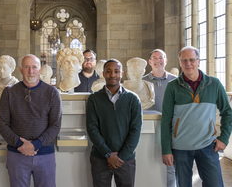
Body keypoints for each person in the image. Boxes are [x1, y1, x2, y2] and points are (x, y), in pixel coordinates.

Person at [161, 46, 232, 187]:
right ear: (180, 62)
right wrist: (166, 150)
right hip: (180, 147)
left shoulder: (214, 84)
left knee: (215, 184)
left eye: (192, 60)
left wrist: (224, 138)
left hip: (208, 145)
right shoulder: (172, 86)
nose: (188, 64)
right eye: (184, 60)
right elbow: (166, 119)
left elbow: (227, 112)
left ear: (198, 61)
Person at [0, 54, 62, 187]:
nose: (30, 71)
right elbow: (3, 124)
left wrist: (35, 145)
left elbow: (55, 125)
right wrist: (19, 144)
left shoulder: (52, 93)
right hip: (17, 154)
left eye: (34, 67)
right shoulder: (9, 93)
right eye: (26, 67)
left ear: (40, 70)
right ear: (20, 70)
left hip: (44, 154)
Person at [86, 59, 142, 187]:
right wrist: (107, 154)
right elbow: (92, 129)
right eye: (109, 71)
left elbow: (136, 130)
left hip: (125, 160)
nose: (112, 75)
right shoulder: (94, 99)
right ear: (103, 73)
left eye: (116, 71)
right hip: (100, 158)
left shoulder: (133, 99)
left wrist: (121, 156)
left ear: (121, 73)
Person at [142, 49, 177, 187]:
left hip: (170, 128)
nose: (158, 60)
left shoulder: (175, 81)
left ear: (166, 60)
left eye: (161, 57)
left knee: (170, 164)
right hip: (148, 128)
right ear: (150, 62)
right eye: (155, 58)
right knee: (148, 160)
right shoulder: (142, 81)